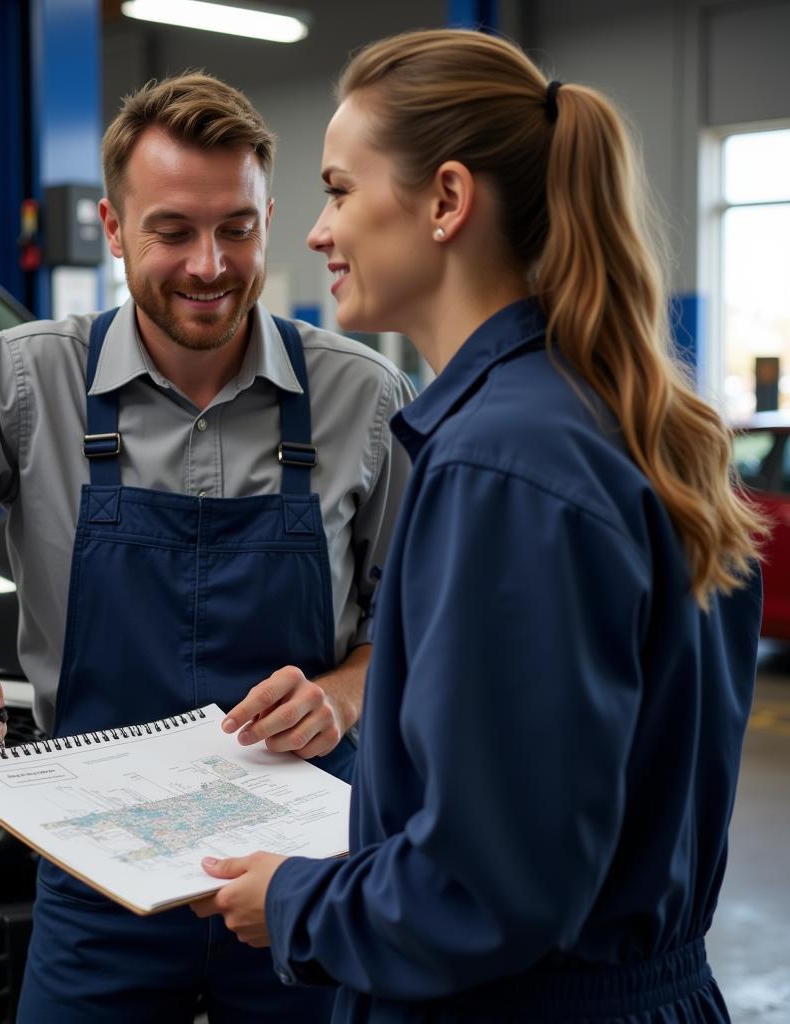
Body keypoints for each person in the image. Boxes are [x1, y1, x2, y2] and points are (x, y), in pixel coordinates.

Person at [0, 73, 415, 1022]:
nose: (209, 265)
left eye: (236, 228)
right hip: (99, 890)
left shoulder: (361, 399)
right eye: (172, 231)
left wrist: (343, 692)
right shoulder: (28, 380)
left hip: (308, 885)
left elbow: (419, 627)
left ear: (271, 217)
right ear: (114, 230)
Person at [192, 29, 765, 1024]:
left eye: (337, 189)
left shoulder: (503, 465)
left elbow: (487, 889)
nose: (318, 234)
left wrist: (294, 899)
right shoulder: (613, 418)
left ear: (447, 201)